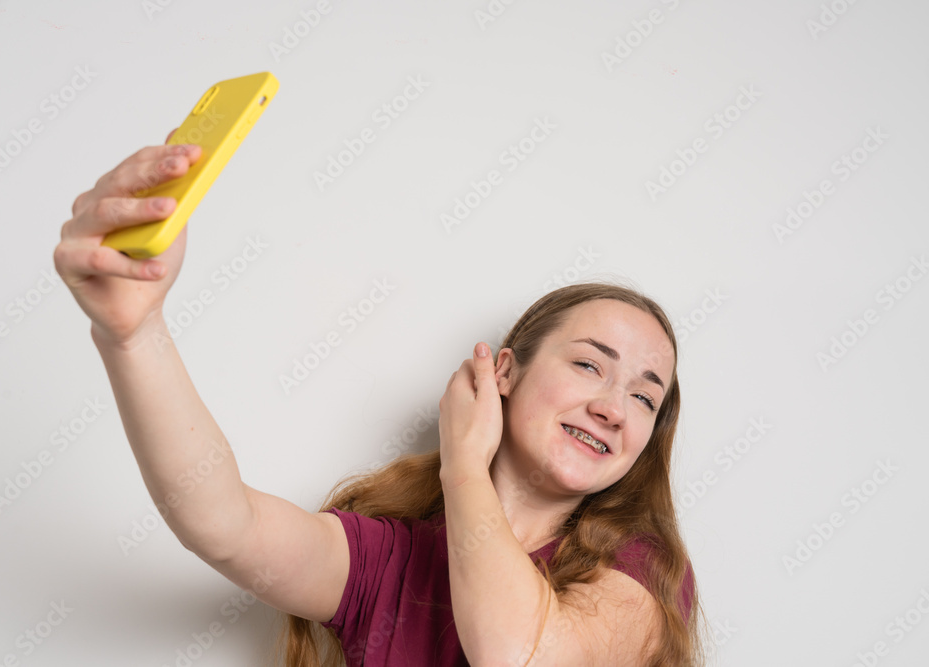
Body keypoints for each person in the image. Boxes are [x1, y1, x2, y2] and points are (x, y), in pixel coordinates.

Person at [54, 133, 707, 666]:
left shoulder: (642, 570)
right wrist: (134, 335)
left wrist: (464, 465)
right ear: (503, 372)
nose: (613, 407)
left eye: (645, 399)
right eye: (591, 364)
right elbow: (223, 522)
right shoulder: (391, 562)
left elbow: (519, 655)